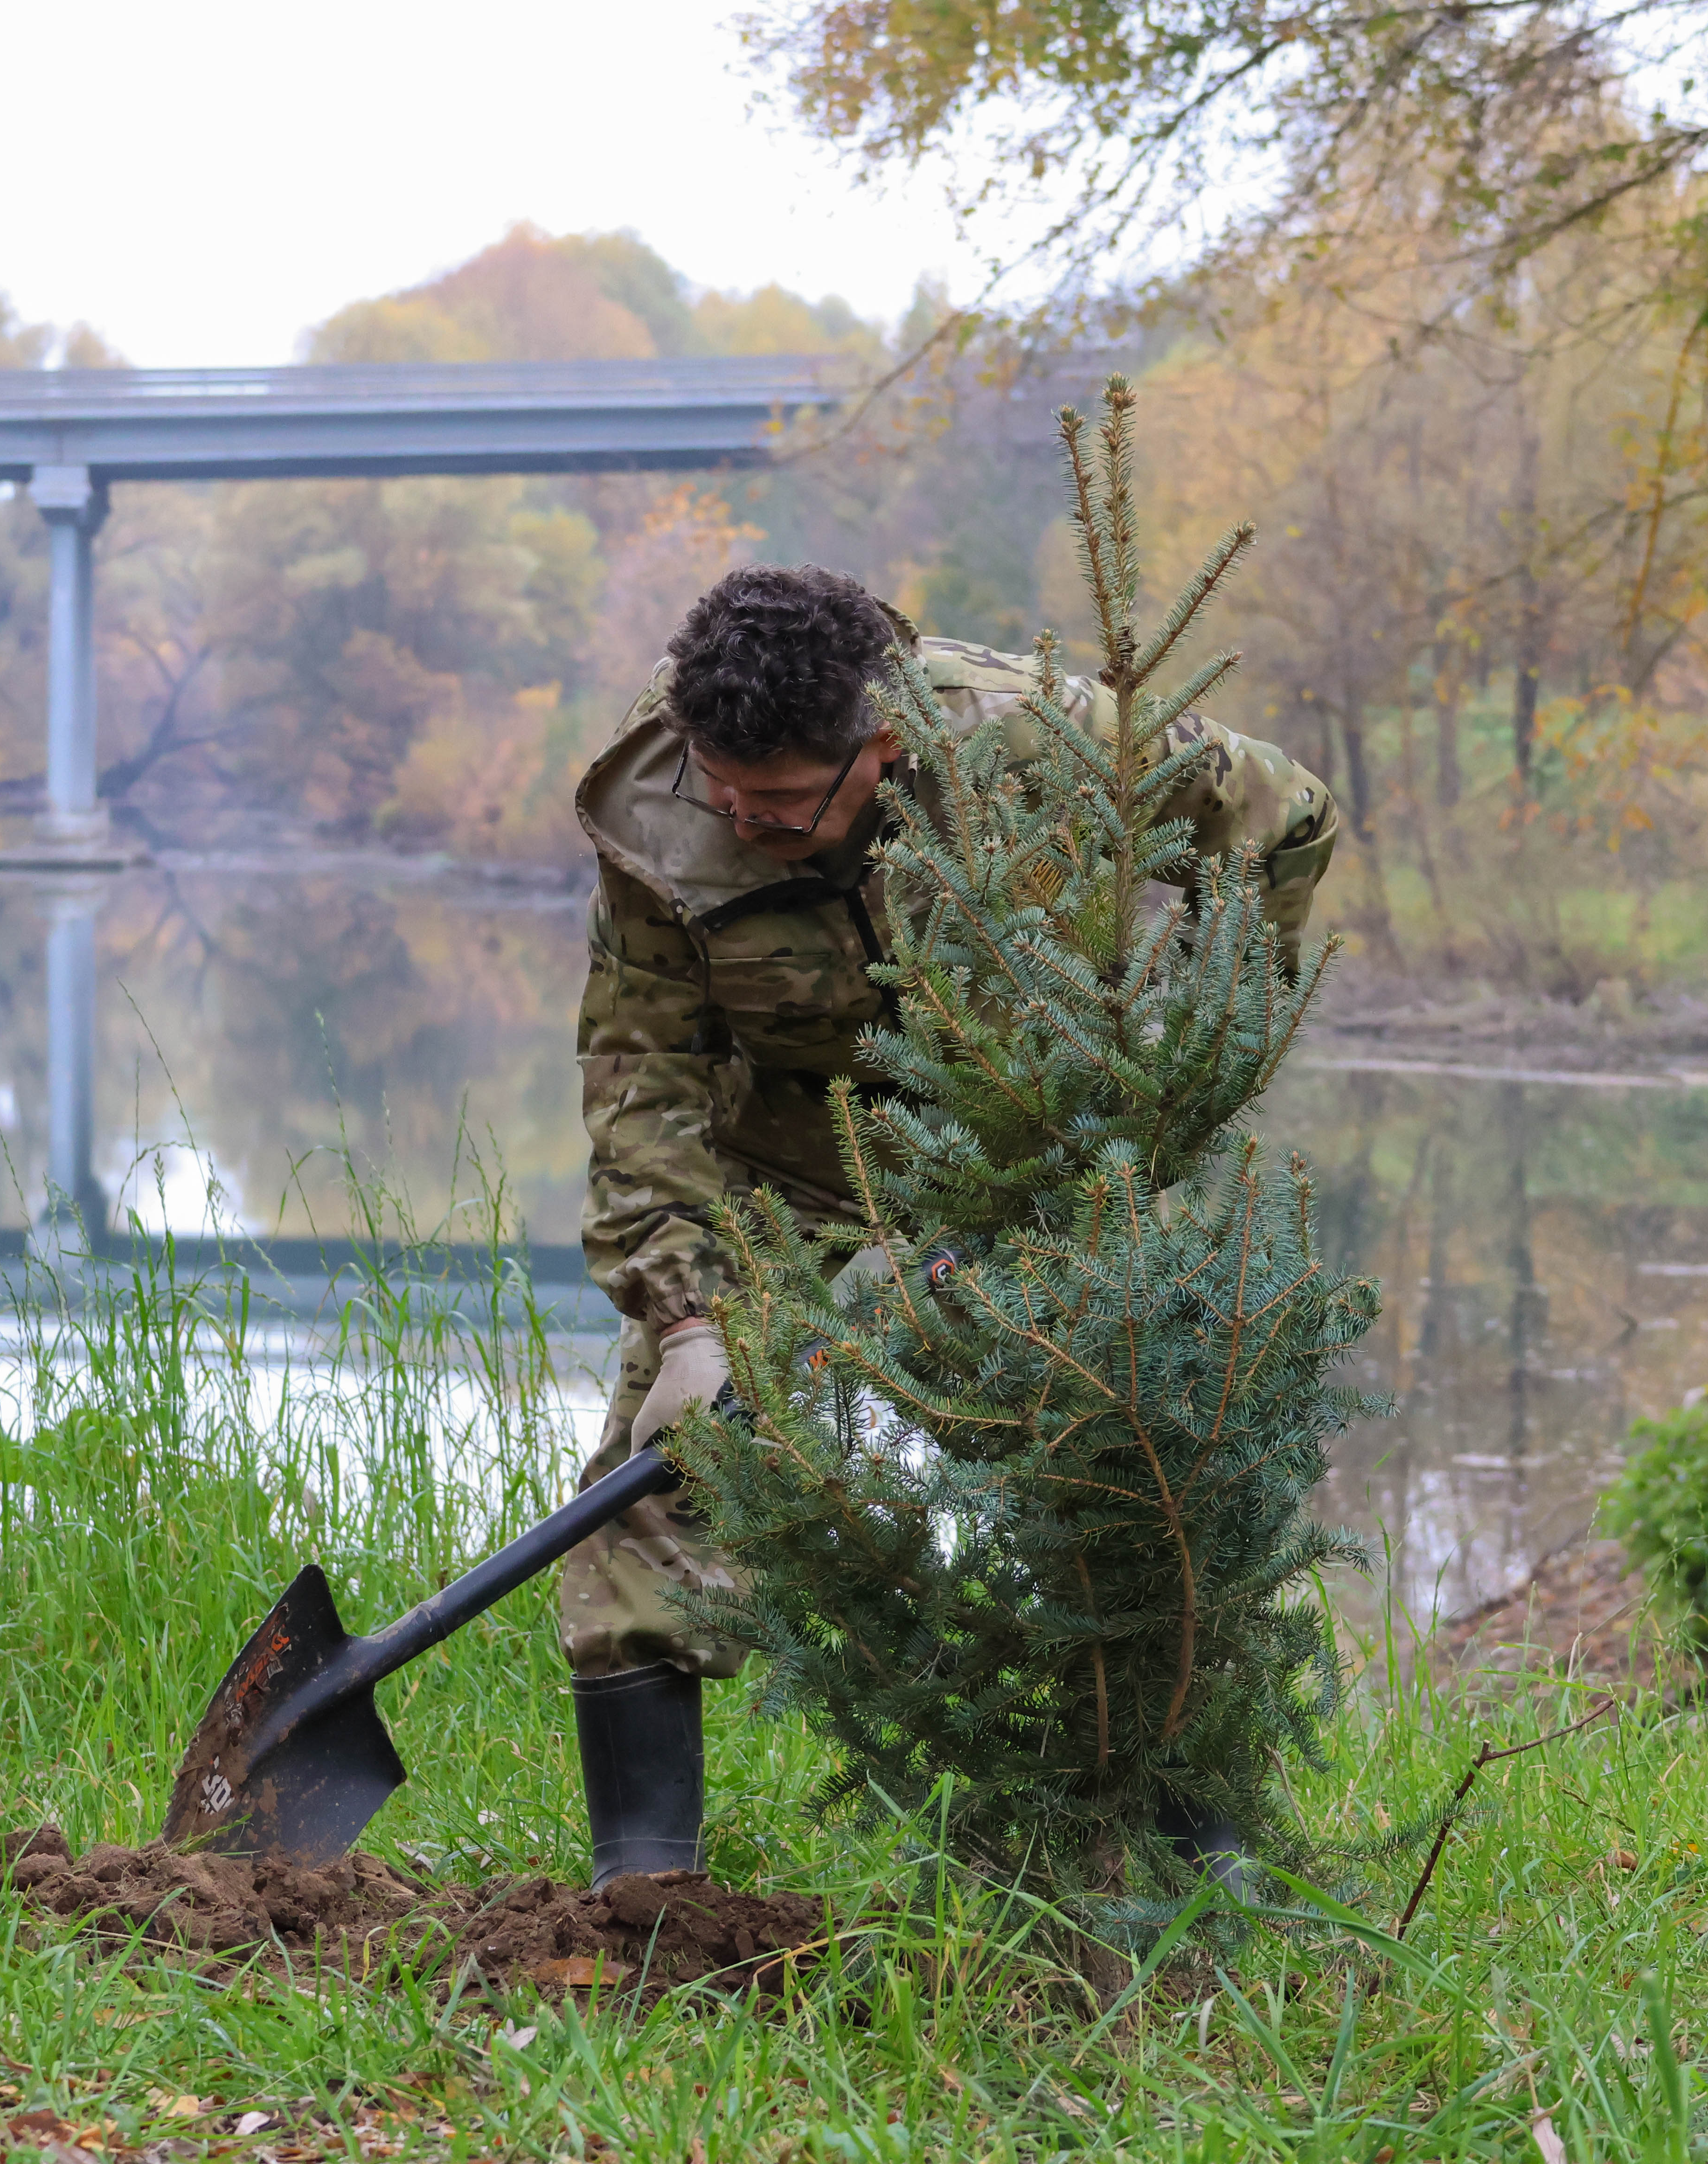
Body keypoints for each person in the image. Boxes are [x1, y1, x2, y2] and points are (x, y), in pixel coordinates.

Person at [559, 564, 1342, 1886]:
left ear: (881, 748)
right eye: (725, 793)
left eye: (783, 806)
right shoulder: (660, 808)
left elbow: (1289, 814)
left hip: (1024, 1150)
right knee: (651, 1499)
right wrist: (691, 1321)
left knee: (1121, 1478)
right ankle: (645, 1895)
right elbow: (642, 1079)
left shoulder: (1035, 738)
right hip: (786, 1167)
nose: (743, 825)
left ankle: (1198, 1871)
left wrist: (1175, 1060)